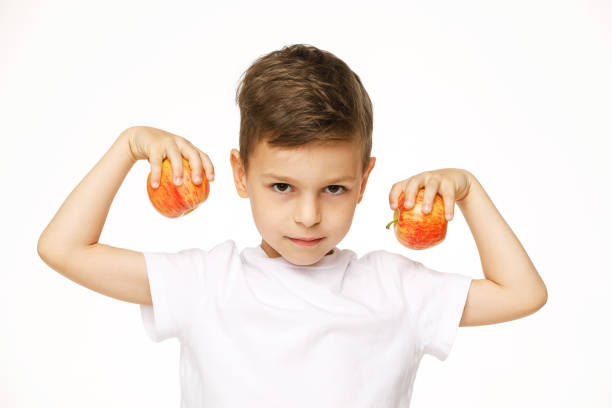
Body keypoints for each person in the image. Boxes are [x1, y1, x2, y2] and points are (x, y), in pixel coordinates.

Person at [37, 44, 548, 407]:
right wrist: (130, 145)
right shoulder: (205, 282)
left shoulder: (396, 289)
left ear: (365, 180)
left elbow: (522, 292)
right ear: (241, 174)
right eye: (282, 187)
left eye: (334, 189)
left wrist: (469, 191)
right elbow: (63, 248)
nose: (308, 215)